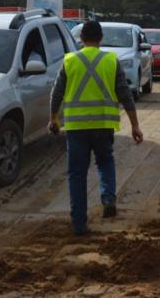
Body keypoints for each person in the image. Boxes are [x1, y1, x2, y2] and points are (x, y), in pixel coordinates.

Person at [49, 21, 143, 236]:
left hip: (76, 128)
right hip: (103, 124)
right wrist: (135, 125)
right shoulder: (111, 61)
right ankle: (108, 197)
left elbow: (56, 93)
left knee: (77, 174)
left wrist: (53, 118)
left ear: (81, 37)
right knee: (105, 161)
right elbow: (125, 95)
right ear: (101, 38)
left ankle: (79, 224)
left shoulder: (70, 60)